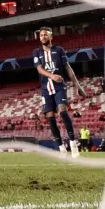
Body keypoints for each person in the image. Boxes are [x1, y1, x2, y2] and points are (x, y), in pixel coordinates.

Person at [33, 26, 86, 158]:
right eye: (41, 35)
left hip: (59, 87)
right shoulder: (36, 52)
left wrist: (78, 86)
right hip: (46, 89)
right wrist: (51, 76)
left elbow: (68, 68)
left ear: (51, 36)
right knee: (50, 116)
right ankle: (61, 147)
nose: (43, 37)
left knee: (62, 111)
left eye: (45, 35)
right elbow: (39, 69)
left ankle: (73, 144)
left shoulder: (59, 50)